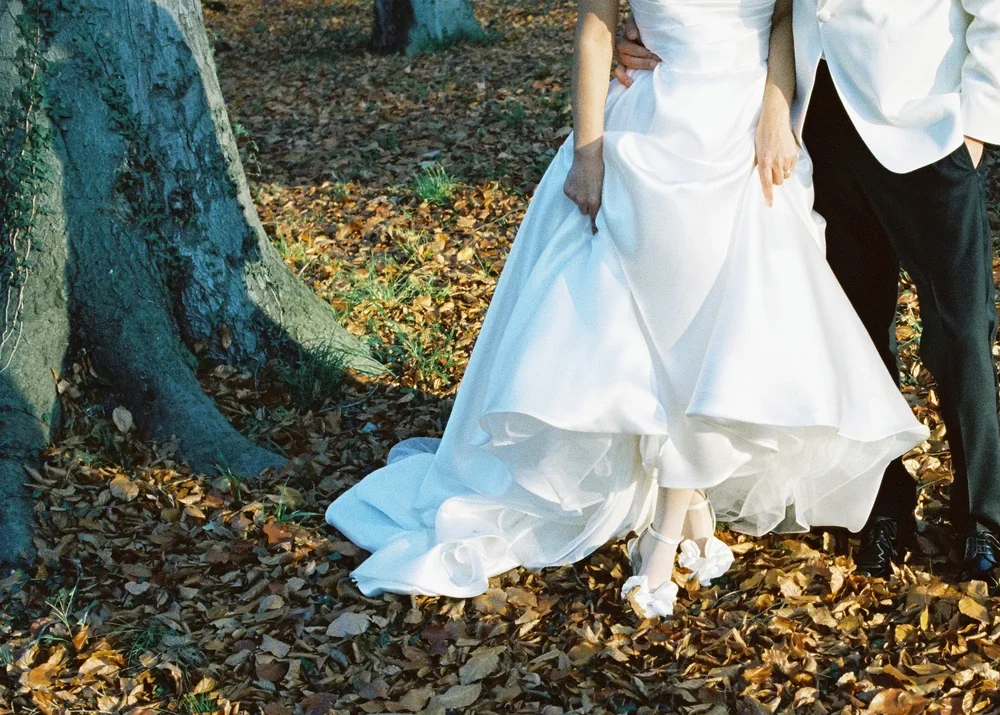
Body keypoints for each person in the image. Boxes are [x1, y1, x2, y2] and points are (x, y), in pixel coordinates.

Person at [326, 0, 928, 615]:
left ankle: (668, 534)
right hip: (650, 131)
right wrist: (589, 152)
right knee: (649, 335)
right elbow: (595, 27)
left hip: (743, 139)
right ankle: (685, 513)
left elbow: (781, 18)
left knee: (725, 335)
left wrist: (777, 108)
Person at [617, 0, 1000, 583]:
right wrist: (647, 26)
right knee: (860, 334)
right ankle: (884, 505)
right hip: (823, 122)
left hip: (927, 123)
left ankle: (981, 520)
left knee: (960, 329)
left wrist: (976, 129)